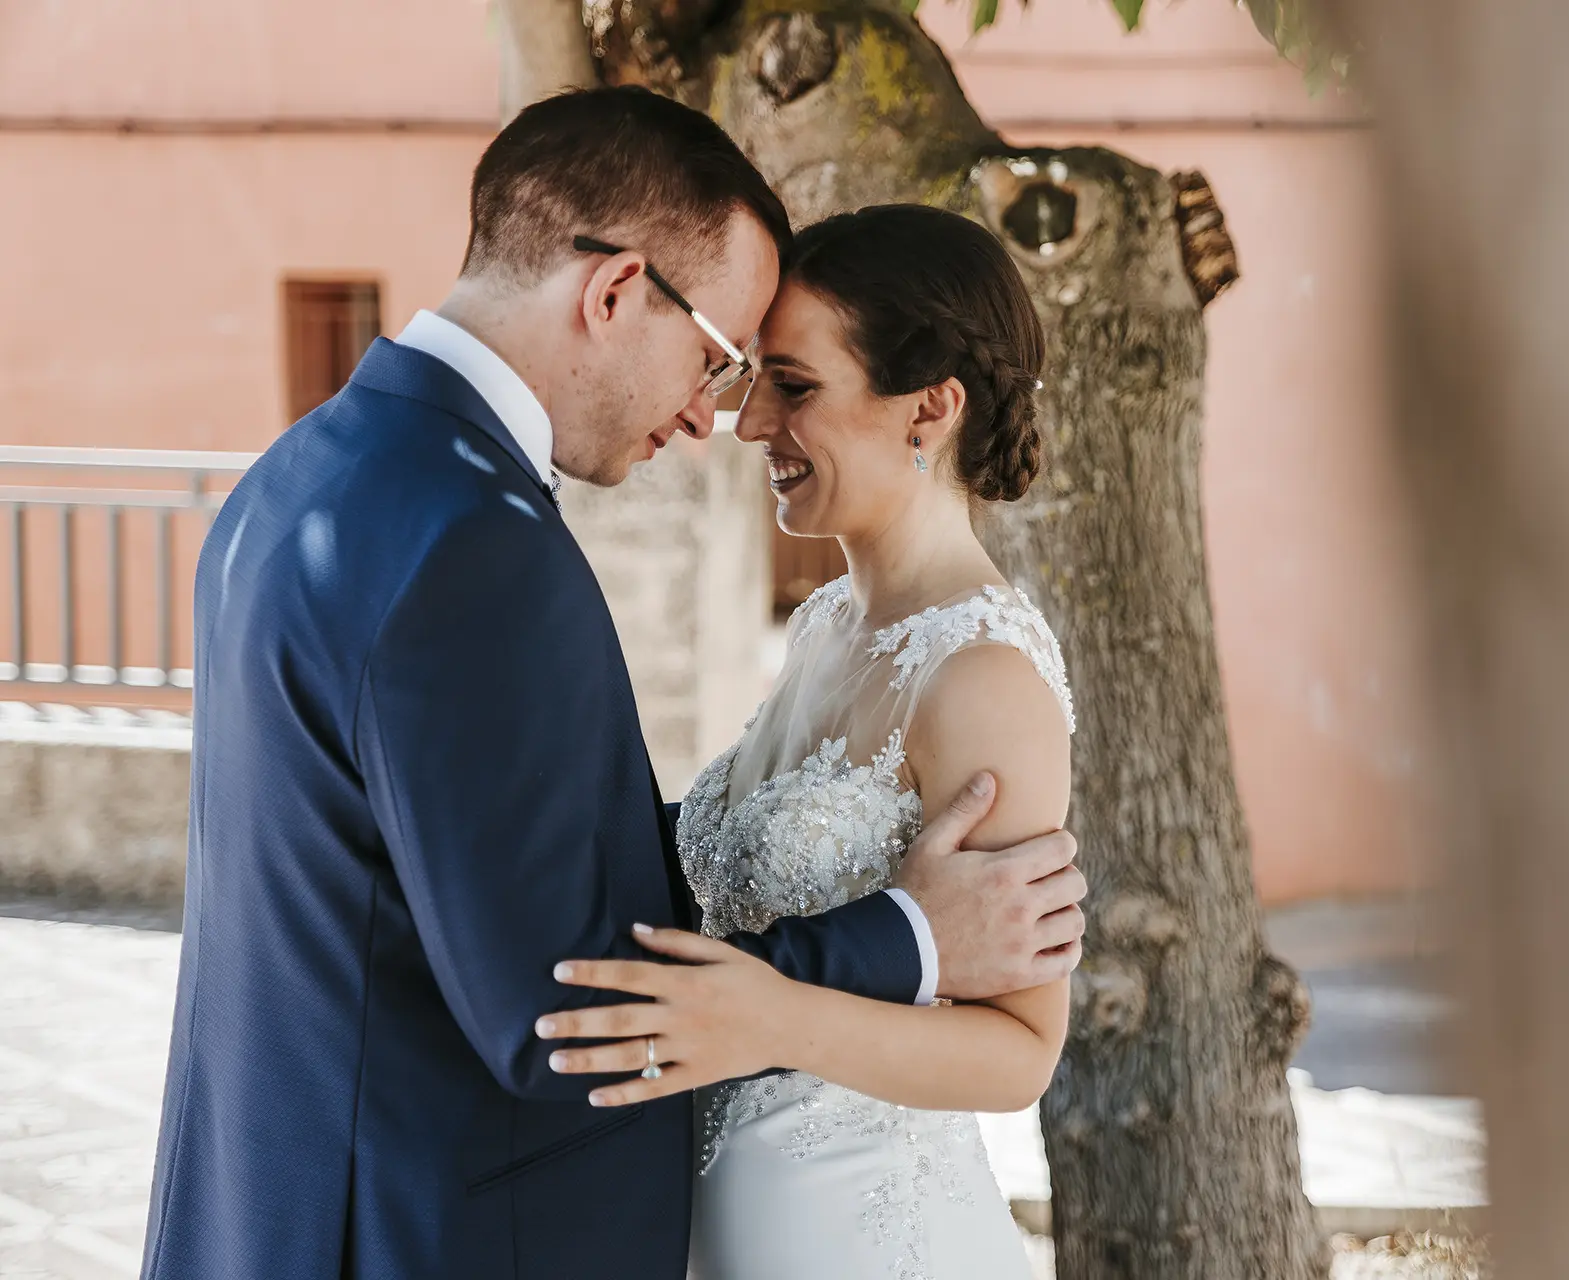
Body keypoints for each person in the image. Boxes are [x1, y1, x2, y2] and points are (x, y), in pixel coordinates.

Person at [139, 88, 1084, 1280]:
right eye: (723, 361)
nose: (718, 418)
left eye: (779, 382)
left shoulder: (307, 474)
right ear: (613, 292)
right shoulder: (473, 543)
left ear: (929, 410)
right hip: (398, 1222)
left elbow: (501, 845)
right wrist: (905, 936)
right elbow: (557, 998)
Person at [535, 204, 1074, 1279]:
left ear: (929, 408)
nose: (746, 424)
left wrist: (772, 1016)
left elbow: (1020, 1050)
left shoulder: (983, 676)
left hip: (867, 1239)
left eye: (794, 386)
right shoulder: (831, 621)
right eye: (754, 381)